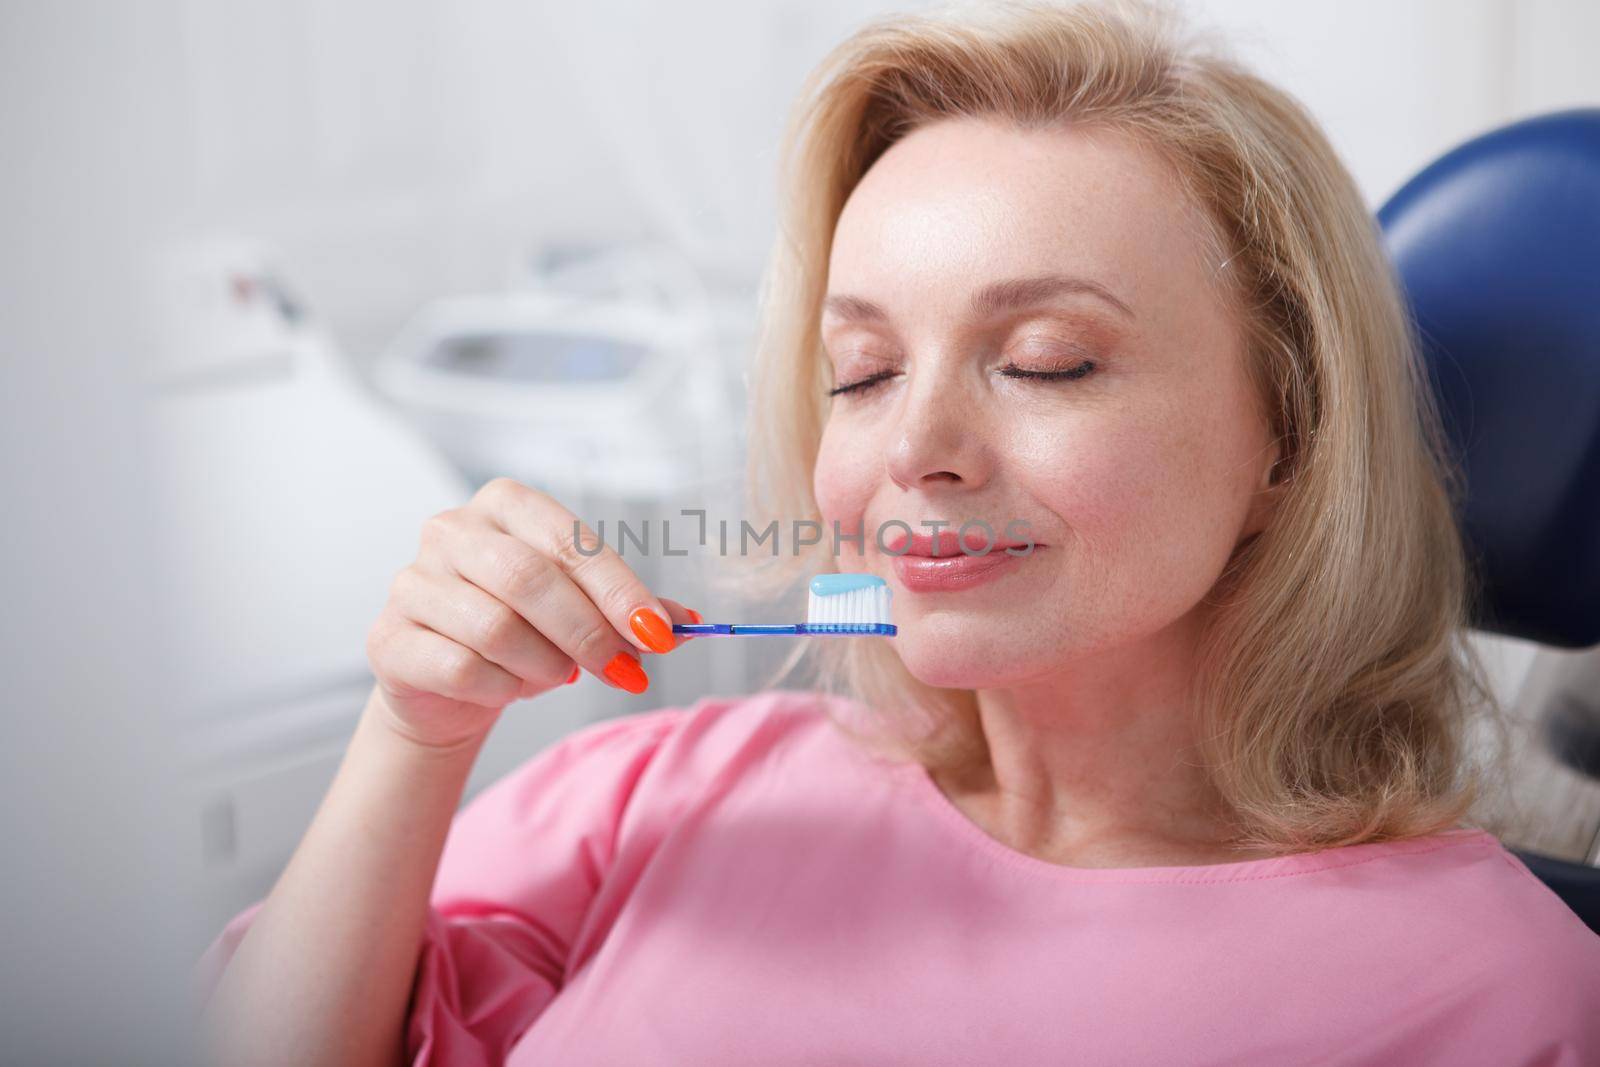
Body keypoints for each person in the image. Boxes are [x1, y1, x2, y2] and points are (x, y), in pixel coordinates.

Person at [193, 1, 1600, 1063]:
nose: (912, 451)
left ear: (1289, 430)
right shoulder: (663, 790)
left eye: (1046, 360)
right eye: (859, 374)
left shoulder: (1499, 993)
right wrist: (415, 730)